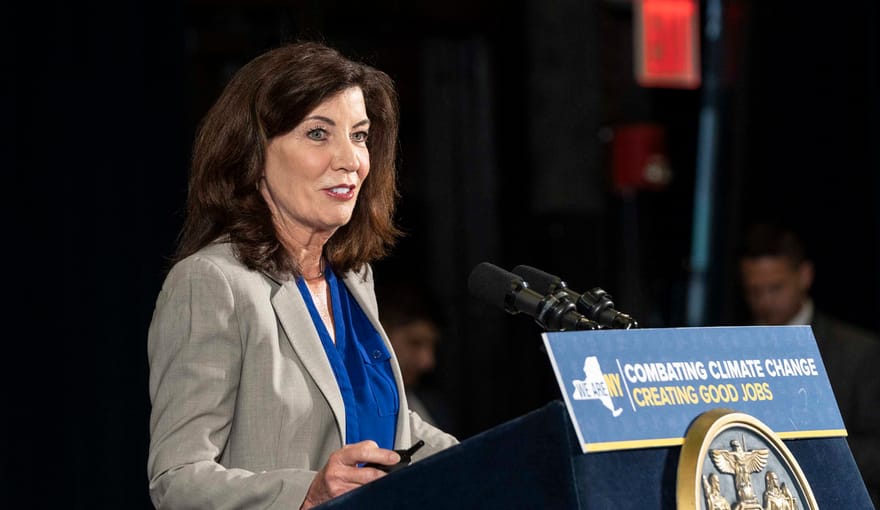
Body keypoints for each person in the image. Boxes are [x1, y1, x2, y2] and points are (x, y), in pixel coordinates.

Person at [147, 41, 458, 509]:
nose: (350, 160)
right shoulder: (212, 283)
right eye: (318, 134)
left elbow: (388, 430)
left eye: (359, 135)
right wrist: (305, 494)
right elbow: (178, 480)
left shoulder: (353, 279)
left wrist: (506, 457)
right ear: (252, 154)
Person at [738, 222, 880, 506]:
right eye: (754, 291)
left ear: (804, 276)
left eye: (775, 288)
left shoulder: (859, 352)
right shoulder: (733, 348)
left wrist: (799, 454)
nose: (764, 301)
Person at [376, 281, 460, 435]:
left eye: (432, 346)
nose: (427, 362)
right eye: (415, 343)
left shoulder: (435, 408)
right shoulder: (352, 410)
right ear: (382, 334)